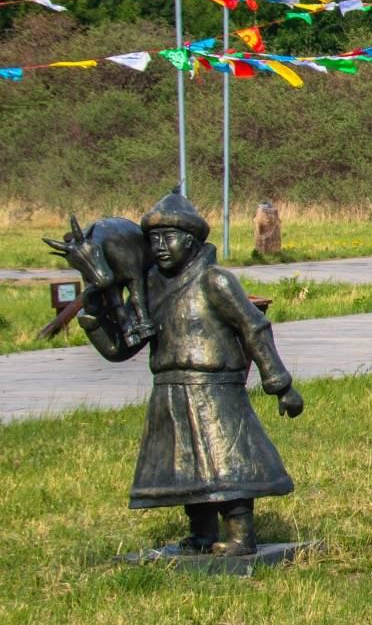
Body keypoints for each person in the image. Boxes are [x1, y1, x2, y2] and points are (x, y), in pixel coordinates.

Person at [58, 189, 303, 555]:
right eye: (153, 239)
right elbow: (122, 348)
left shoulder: (215, 281)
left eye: (168, 237)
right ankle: (201, 532)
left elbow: (254, 328)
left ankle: (241, 534)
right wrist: (94, 317)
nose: (159, 246)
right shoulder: (151, 287)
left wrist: (279, 383)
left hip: (214, 386)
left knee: (228, 463)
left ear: (191, 241)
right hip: (169, 389)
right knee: (186, 467)